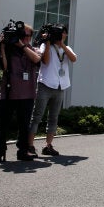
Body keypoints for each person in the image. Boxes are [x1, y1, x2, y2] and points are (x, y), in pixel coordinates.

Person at [0, 23, 41, 164]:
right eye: (21, 35)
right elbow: (4, 68)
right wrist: (3, 48)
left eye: (27, 36)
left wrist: (21, 45)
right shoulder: (10, 49)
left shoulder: (33, 49)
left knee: (24, 125)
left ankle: (23, 151)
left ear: (30, 37)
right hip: (8, 92)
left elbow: (37, 60)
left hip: (27, 94)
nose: (24, 38)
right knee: (2, 124)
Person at [27, 24, 77, 157]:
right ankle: (30, 145)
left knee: (53, 118)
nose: (64, 36)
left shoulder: (67, 48)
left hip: (60, 86)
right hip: (45, 84)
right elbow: (46, 61)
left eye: (65, 33)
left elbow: (74, 59)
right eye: (62, 33)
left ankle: (48, 146)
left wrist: (63, 46)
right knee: (37, 116)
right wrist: (48, 42)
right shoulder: (45, 45)